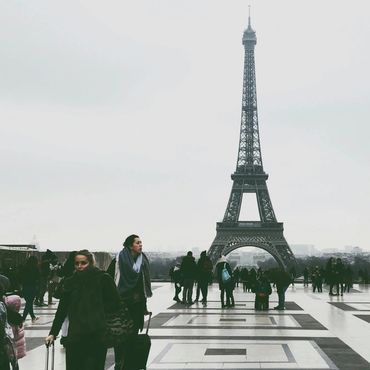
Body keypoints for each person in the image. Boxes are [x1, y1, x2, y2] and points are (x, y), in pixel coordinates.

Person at [45, 250, 121, 370]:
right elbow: (62, 310)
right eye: (77, 263)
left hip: (97, 336)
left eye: (83, 263)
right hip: (76, 336)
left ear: (91, 263)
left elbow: (116, 305)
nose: (80, 266)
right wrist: (53, 333)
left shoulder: (103, 279)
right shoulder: (70, 282)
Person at [107, 234, 152, 370]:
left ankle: (129, 365)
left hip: (136, 306)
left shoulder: (142, 261)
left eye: (141, 242)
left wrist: (144, 306)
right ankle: (120, 365)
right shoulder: (118, 260)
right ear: (130, 245)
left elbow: (142, 287)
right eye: (137, 243)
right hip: (121, 306)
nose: (140, 245)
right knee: (120, 339)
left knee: (131, 338)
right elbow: (109, 281)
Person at [5, 295, 26, 360]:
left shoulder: (9, 317)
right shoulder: (19, 318)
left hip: (10, 348)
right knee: (15, 363)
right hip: (19, 348)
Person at [20, 255, 40, 323]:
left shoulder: (24, 268)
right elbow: (38, 278)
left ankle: (33, 317)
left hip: (25, 287)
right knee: (29, 303)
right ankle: (23, 319)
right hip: (32, 287)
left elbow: (20, 277)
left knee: (29, 303)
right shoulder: (35, 268)